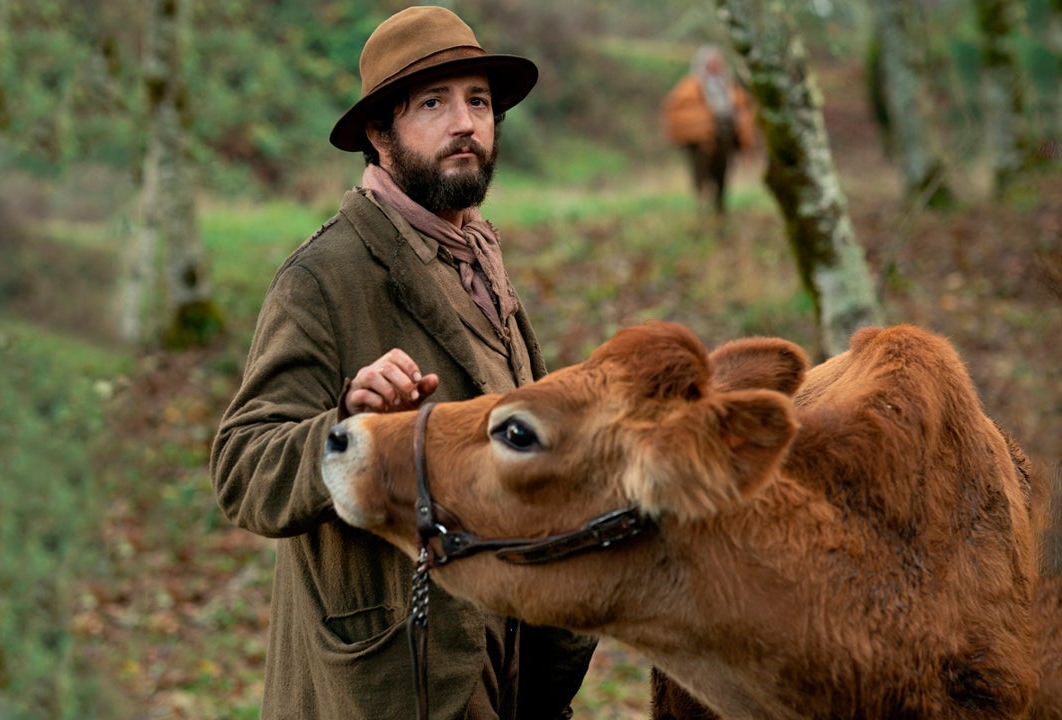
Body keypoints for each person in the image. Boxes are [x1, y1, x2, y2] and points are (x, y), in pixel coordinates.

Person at [210, 6, 596, 720]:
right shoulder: (323, 277)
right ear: (378, 133)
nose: (466, 124)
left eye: (478, 101)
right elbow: (242, 469)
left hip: (503, 667)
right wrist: (346, 429)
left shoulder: (480, 262)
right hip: (389, 682)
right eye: (433, 104)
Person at [661, 45, 756, 214]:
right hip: (701, 141)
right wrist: (704, 120)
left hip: (724, 138)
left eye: (718, 63)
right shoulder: (690, 86)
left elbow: (741, 107)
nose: (716, 66)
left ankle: (719, 208)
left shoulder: (727, 85)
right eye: (712, 63)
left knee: (722, 174)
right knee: (701, 175)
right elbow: (680, 110)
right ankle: (701, 208)